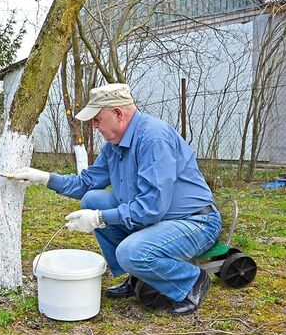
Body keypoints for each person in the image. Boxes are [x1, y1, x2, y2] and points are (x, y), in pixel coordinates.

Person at [13, 83, 221, 315]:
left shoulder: (153, 139)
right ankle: (138, 277)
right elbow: (86, 184)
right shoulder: (114, 145)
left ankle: (191, 281)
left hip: (195, 224)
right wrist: (44, 178)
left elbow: (151, 208)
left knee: (130, 252)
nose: (93, 126)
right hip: (160, 220)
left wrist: (99, 219)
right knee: (94, 199)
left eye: (97, 119)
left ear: (118, 114)